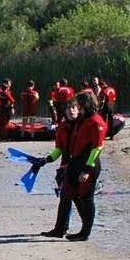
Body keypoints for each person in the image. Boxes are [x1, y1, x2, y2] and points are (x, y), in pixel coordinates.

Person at [35, 90, 107, 241]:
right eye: (70, 107)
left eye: (77, 104)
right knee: (66, 194)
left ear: (85, 104)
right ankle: (60, 228)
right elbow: (61, 148)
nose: (75, 108)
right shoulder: (80, 121)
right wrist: (46, 160)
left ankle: (85, 232)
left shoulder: (96, 122)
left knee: (85, 198)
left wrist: (87, 169)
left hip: (87, 164)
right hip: (74, 163)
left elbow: (97, 148)